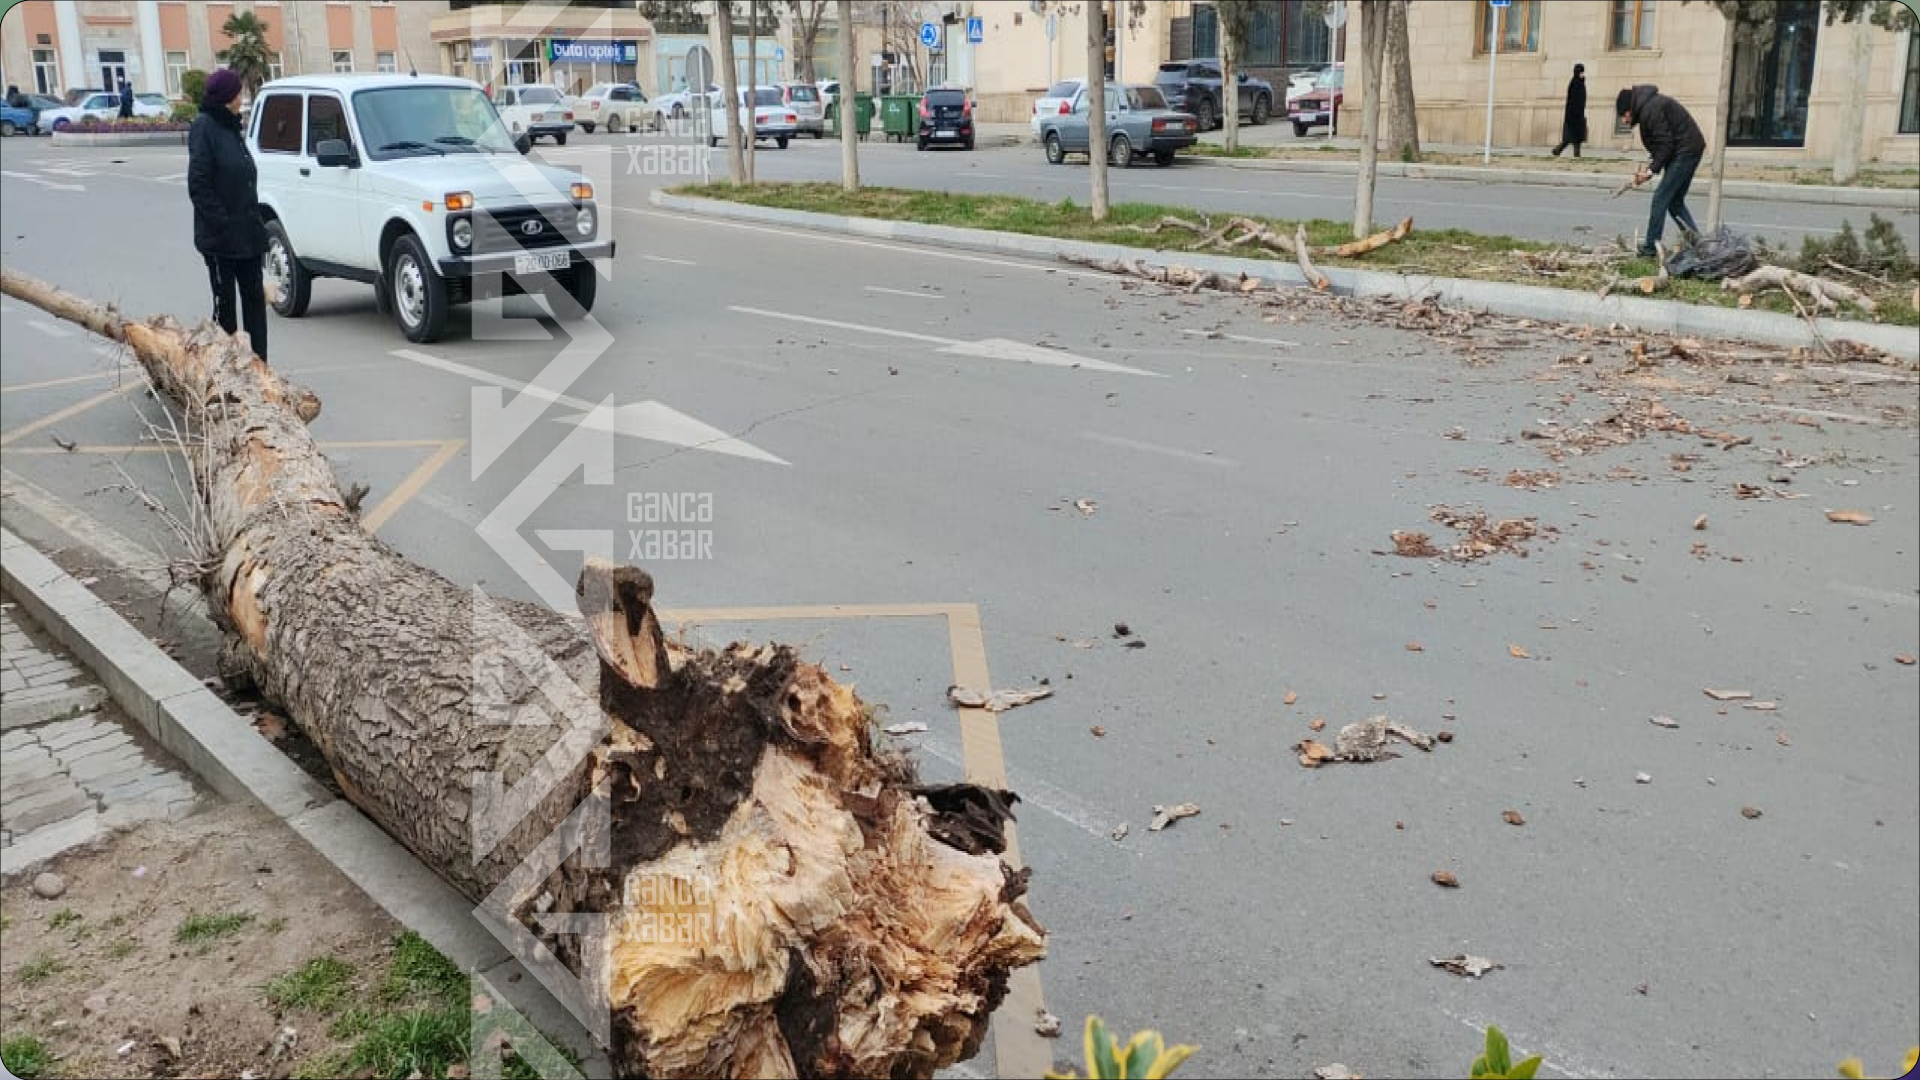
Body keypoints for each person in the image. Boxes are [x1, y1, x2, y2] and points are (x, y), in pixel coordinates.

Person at [188, 69, 270, 361]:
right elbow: (198, 185)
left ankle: (259, 365)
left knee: (255, 299)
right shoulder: (205, 127)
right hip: (221, 238)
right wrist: (222, 223)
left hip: (247, 234)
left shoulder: (231, 126)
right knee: (226, 307)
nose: (242, 98)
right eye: (238, 93)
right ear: (227, 97)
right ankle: (228, 367)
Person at [1616, 84, 1706, 258]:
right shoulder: (1649, 107)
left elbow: (1666, 144)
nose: (1625, 121)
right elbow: (1661, 144)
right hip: (1688, 148)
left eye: (1624, 116)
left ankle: (1650, 249)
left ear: (1630, 109)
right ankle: (1699, 246)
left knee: (1660, 199)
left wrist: (1651, 171)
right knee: (1674, 202)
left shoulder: (1651, 109)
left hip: (1685, 151)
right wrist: (1649, 168)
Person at [1552, 63, 1586, 157]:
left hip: (1578, 114)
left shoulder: (1580, 82)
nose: (1582, 74)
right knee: (1572, 137)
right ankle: (1562, 151)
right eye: (1581, 72)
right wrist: (1575, 113)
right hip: (1574, 114)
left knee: (1574, 137)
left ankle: (1558, 150)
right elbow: (1573, 100)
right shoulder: (1575, 83)